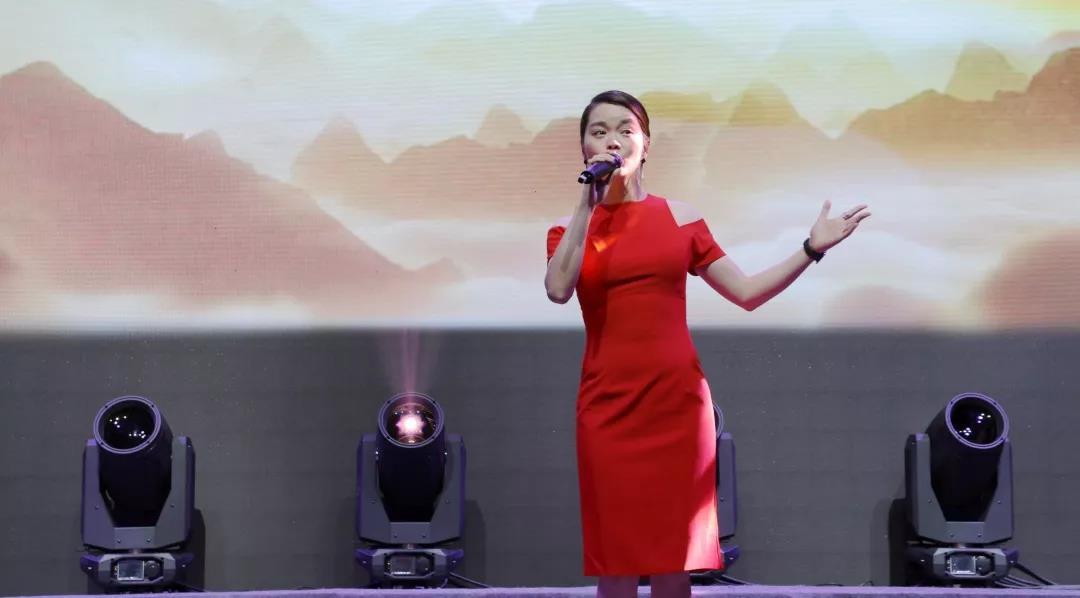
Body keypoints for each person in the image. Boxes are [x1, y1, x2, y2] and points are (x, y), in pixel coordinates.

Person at [544, 90, 870, 598]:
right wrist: (587, 205)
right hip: (607, 406)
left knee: (675, 562)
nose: (613, 140)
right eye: (599, 131)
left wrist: (810, 250)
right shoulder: (568, 229)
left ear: (646, 145)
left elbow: (746, 293)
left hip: (676, 404)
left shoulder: (681, 218)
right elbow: (558, 289)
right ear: (584, 147)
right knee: (617, 560)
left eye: (626, 130)